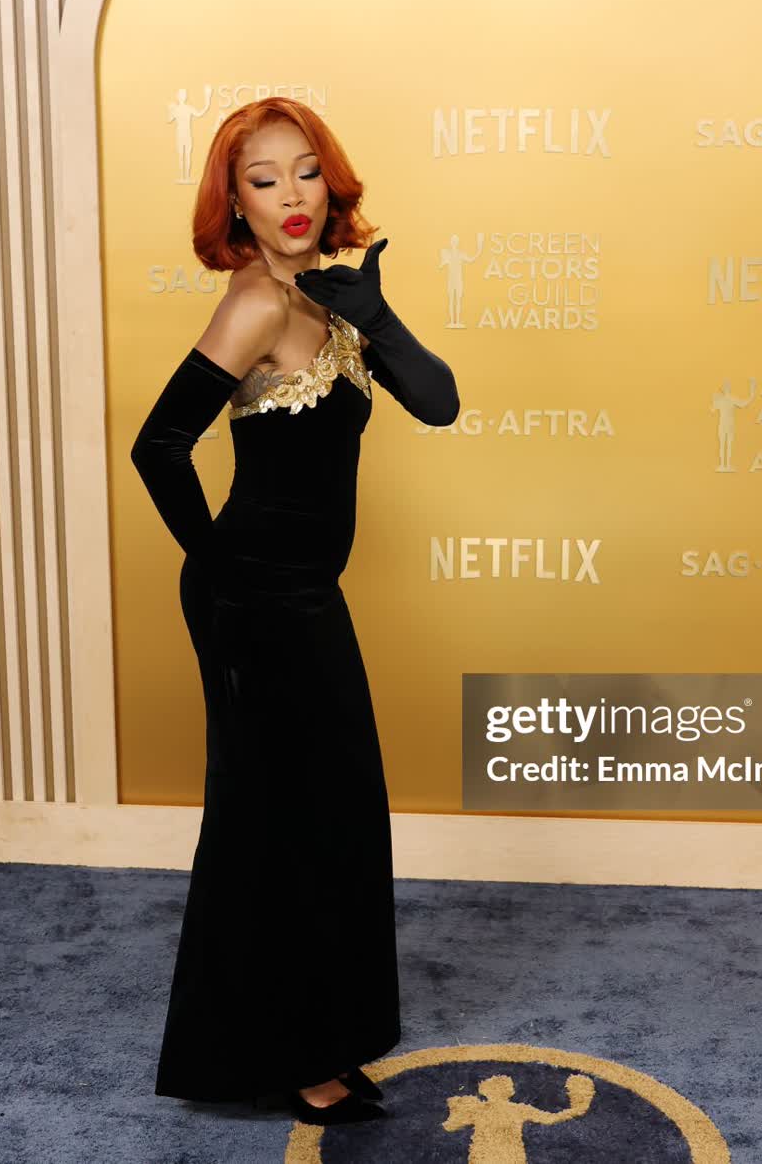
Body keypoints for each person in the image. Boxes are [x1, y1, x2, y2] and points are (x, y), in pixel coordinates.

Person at [130, 96, 460, 1126]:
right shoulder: (256, 306)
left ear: (331, 180)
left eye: (305, 171)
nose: (290, 196)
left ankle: (322, 1034)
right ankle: (289, 1055)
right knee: (274, 821)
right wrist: (222, 570)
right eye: (263, 179)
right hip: (254, 596)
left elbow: (441, 400)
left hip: (308, 594)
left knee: (334, 813)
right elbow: (158, 446)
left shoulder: (331, 299)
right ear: (235, 201)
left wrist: (377, 314)